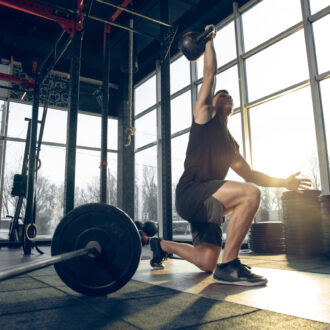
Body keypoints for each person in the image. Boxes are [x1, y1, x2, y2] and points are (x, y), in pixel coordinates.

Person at [149, 24, 311, 286]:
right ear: (212, 102)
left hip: (211, 202)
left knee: (206, 262)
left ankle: (163, 246)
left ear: (232, 109)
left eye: (229, 96)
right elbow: (210, 74)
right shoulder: (203, 118)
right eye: (220, 94)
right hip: (192, 193)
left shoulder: (231, 145)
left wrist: (284, 182)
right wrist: (209, 41)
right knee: (250, 194)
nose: (225, 95)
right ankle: (230, 266)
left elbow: (251, 174)